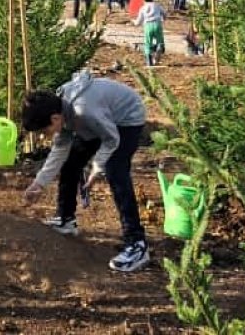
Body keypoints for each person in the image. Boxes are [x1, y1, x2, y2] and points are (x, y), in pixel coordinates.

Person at [21, 72, 150, 273]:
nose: (44, 137)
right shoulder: (61, 109)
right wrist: (39, 184)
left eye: (44, 131)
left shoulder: (84, 112)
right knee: (70, 162)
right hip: (101, 119)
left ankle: (137, 244)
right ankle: (66, 219)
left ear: (55, 118)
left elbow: (111, 140)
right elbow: (60, 149)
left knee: (115, 171)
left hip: (126, 119)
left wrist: (97, 166)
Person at [133, 0, 166, 66]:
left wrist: (134, 22)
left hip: (148, 26)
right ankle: (159, 47)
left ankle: (149, 62)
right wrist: (163, 18)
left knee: (148, 43)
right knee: (160, 41)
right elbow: (164, 13)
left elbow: (138, 22)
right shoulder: (157, 5)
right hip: (157, 25)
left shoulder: (142, 8)